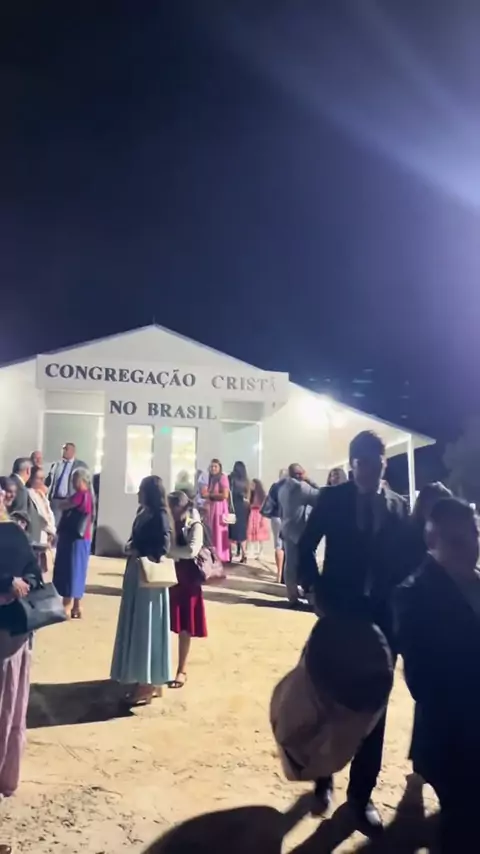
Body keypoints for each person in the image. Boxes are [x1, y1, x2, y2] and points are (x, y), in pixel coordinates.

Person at [298, 430, 412, 834]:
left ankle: (361, 797)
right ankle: (323, 776)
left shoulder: (400, 507)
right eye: (361, 462)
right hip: (338, 615)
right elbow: (305, 546)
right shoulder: (332, 499)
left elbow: (410, 563)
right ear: (352, 465)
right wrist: (313, 589)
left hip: (381, 623)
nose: (368, 469)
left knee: (374, 710)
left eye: (375, 462)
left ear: (384, 463)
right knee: (329, 699)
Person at [395, 498, 480, 852]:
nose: (471, 547)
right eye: (458, 540)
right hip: (454, 742)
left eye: (474, 535)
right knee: (463, 829)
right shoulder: (414, 596)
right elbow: (423, 681)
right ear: (433, 542)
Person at [110, 475, 172, 706]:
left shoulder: (160, 515)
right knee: (137, 625)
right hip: (136, 572)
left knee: (147, 627)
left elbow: (163, 546)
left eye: (141, 489)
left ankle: (147, 682)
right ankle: (147, 679)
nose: (137, 493)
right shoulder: (143, 512)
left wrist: (140, 550)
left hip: (149, 578)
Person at [0, 487, 42, 800]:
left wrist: (23, 583)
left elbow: (34, 572)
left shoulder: (14, 531)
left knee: (10, 705)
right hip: (12, 629)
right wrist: (8, 582)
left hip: (13, 631)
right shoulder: (14, 531)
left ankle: (6, 776)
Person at [167, 491, 207, 688]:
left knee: (185, 627)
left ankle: (181, 669)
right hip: (169, 577)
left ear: (178, 507)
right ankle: (162, 667)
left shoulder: (194, 525)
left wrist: (167, 552)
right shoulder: (169, 523)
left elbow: (192, 550)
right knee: (165, 624)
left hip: (188, 580)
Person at [53, 468, 93, 619]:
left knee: (70, 571)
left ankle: (66, 606)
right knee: (79, 571)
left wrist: (61, 502)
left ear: (81, 480)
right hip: (83, 538)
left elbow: (63, 505)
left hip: (73, 539)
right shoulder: (90, 496)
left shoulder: (80, 495)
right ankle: (77, 606)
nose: (72, 482)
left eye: (74, 479)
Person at [278, 465, 320, 606]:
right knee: (305, 564)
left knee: (290, 564)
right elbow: (320, 496)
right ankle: (310, 596)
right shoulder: (301, 487)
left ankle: (292, 595)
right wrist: (310, 480)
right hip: (299, 531)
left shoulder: (283, 487)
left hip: (286, 528)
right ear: (300, 474)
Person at [45, 442, 88, 526]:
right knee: (54, 525)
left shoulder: (81, 465)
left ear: (73, 451)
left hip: (72, 501)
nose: (63, 451)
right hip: (56, 501)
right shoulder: (56, 465)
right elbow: (49, 481)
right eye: (63, 449)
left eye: (66, 449)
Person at [26, 466, 56, 574]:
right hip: (38, 534)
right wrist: (50, 530)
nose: (42, 481)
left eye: (43, 478)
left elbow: (49, 513)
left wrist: (52, 531)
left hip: (46, 533)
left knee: (43, 567)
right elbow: (41, 515)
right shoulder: (29, 493)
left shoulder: (41, 494)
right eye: (39, 478)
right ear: (31, 479)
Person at [201, 459, 230, 564]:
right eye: (212, 466)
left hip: (220, 508)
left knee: (219, 531)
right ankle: (212, 554)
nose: (213, 468)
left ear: (219, 468)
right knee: (211, 531)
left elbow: (225, 495)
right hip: (211, 507)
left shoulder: (223, 478)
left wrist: (210, 495)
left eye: (215, 466)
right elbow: (203, 493)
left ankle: (220, 555)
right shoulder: (210, 478)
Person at [261, 469, 287, 583]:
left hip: (276, 517)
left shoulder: (275, 486)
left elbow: (269, 501)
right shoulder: (294, 487)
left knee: (278, 545)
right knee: (289, 545)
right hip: (289, 517)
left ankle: (279, 573)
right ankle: (287, 573)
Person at [228, 461, 250, 563]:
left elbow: (228, 492)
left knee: (231, 531)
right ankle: (244, 554)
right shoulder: (246, 481)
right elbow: (248, 496)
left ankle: (230, 554)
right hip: (243, 508)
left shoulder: (231, 478)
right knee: (242, 532)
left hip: (233, 507)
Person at [247, 479, 270, 559]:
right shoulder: (251, 494)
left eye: (252, 485)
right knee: (251, 531)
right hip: (253, 514)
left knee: (261, 533)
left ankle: (260, 552)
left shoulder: (262, 496)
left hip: (260, 514)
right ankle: (251, 550)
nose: (251, 486)